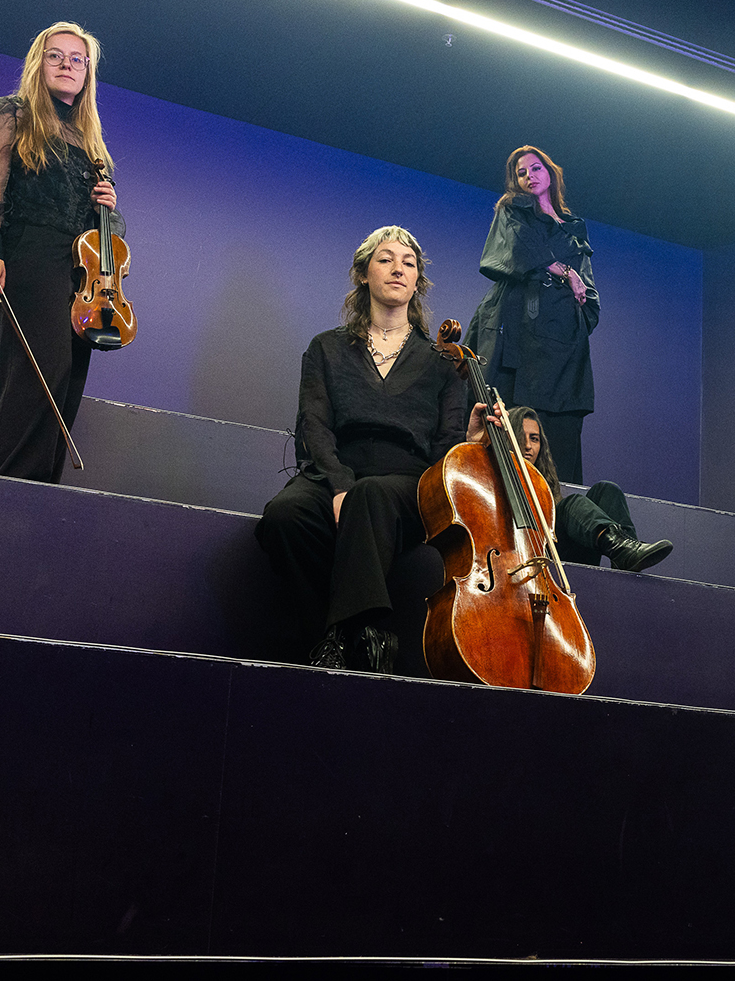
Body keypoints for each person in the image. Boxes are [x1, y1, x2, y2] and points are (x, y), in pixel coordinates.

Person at [255, 226, 495, 673]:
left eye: (408, 262)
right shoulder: (326, 348)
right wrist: (340, 484)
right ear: (363, 274)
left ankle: (334, 640)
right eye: (386, 259)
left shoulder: (443, 360)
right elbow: (314, 424)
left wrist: (471, 444)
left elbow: (444, 446)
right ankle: (352, 634)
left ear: (417, 281)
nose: (398, 268)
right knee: (283, 517)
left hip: (407, 483)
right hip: (337, 470)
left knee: (373, 497)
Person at [0, 21, 123, 482]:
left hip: (80, 274)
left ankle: (38, 499)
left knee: (67, 383)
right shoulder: (11, 114)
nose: (67, 64)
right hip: (30, 258)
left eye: (77, 59)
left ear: (88, 72)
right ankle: (0, 494)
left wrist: (106, 208)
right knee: (35, 381)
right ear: (39, 63)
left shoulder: (91, 143)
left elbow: (104, 233)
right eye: (56, 56)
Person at [465, 146, 599, 483]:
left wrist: (581, 316)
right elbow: (514, 253)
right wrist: (564, 272)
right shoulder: (513, 211)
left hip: (564, 350)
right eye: (521, 173)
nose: (529, 176)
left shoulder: (573, 227)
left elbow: (590, 291)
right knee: (513, 440)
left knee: (561, 451)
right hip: (521, 340)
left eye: (536, 168)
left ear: (551, 173)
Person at [506, 406, 673, 573]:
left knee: (607, 491)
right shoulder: (492, 478)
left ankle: (627, 557)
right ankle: (623, 550)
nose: (528, 445)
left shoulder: (545, 482)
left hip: (565, 553)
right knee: (570, 504)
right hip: (532, 556)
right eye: (521, 437)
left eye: (534, 439)